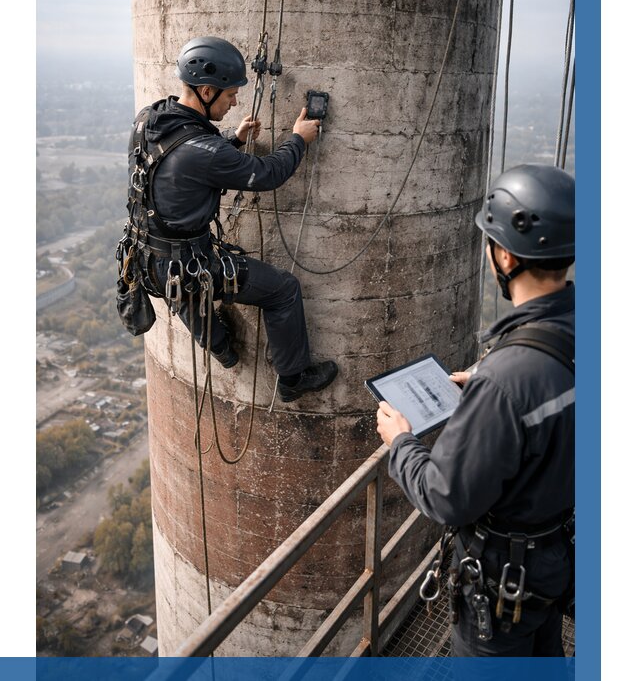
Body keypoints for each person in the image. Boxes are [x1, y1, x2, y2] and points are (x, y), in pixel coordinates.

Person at [376, 164, 575, 657]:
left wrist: (400, 443)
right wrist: (492, 402)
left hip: (505, 583)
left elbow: (446, 497)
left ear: (504, 255)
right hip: (555, 560)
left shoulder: (508, 379)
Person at [127, 35, 338, 403]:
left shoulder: (151, 118)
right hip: (190, 261)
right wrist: (298, 139)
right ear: (206, 91)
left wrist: (232, 140)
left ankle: (223, 349)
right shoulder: (204, 151)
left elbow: (176, 159)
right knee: (282, 290)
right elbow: (268, 173)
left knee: (184, 291)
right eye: (229, 94)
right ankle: (293, 377)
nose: (236, 100)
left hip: (147, 258)